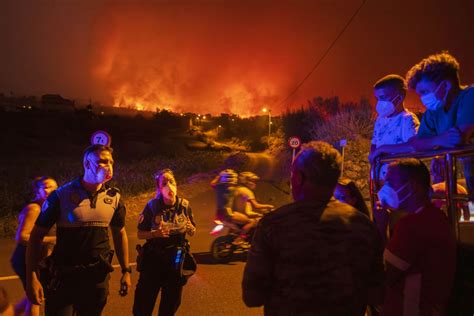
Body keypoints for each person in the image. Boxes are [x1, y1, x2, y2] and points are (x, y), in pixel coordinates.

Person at [242, 141, 384, 315]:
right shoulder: (362, 226)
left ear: (299, 178)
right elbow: (377, 294)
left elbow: (252, 296)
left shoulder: (273, 224)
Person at [26, 144, 131, 316]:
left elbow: (119, 233)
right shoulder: (61, 196)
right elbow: (36, 236)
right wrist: (31, 277)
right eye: (102, 162)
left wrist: (126, 270)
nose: (109, 166)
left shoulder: (115, 199)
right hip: (64, 278)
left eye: (111, 162)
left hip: (96, 279)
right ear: (87, 164)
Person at [379, 158, 456, 315]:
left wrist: (380, 226)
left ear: (413, 186)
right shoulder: (436, 216)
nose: (385, 189)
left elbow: (384, 274)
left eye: (391, 183)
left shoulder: (412, 225)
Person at [133, 168, 196, 316]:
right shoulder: (152, 206)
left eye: (171, 181)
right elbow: (140, 234)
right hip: (153, 260)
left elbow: (193, 230)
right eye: (164, 183)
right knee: (143, 304)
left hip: (176, 260)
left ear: (176, 184)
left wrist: (191, 229)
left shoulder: (185, 206)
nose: (169, 185)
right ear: (159, 188)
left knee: (170, 305)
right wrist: (154, 234)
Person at [11, 176, 57, 316]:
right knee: (35, 297)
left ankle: (9, 313)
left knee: (33, 295)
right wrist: (54, 239)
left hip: (33, 258)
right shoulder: (34, 208)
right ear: (38, 190)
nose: (51, 190)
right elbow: (22, 236)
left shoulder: (46, 207)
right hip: (25, 259)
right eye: (46, 187)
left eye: (54, 187)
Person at [368, 74, 420, 168]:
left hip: (400, 178)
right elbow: (374, 145)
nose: (379, 102)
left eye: (383, 97)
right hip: (379, 177)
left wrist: (383, 149)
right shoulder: (380, 120)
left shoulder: (407, 119)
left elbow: (414, 146)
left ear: (399, 98)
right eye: (377, 98)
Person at [211, 169, 256, 236]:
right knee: (251, 222)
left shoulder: (219, 187)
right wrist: (247, 199)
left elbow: (212, 184)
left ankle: (237, 235)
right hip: (228, 214)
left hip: (219, 213)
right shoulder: (233, 189)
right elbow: (243, 197)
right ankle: (240, 239)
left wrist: (219, 176)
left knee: (243, 221)